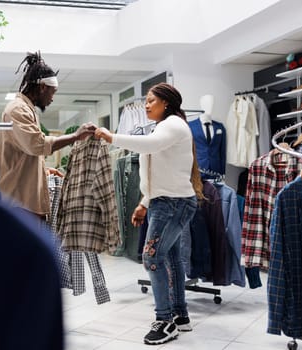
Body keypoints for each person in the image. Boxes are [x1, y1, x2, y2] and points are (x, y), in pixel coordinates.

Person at [94, 82, 204, 345]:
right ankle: (180, 316)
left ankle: (165, 321)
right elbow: (157, 170)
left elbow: (151, 146)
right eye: (146, 100)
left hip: (173, 204)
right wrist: (145, 202)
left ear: (166, 103)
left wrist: (112, 137)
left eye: (151, 100)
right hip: (166, 202)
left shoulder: (173, 125)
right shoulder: (165, 126)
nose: (146, 105)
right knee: (171, 259)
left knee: (151, 257)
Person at [0, 51, 96, 221]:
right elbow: (37, 145)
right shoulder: (17, 110)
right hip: (19, 203)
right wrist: (75, 136)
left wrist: (43, 170)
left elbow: (24, 153)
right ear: (42, 87)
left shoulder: (25, 109)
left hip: (23, 203)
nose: (52, 98)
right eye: (53, 92)